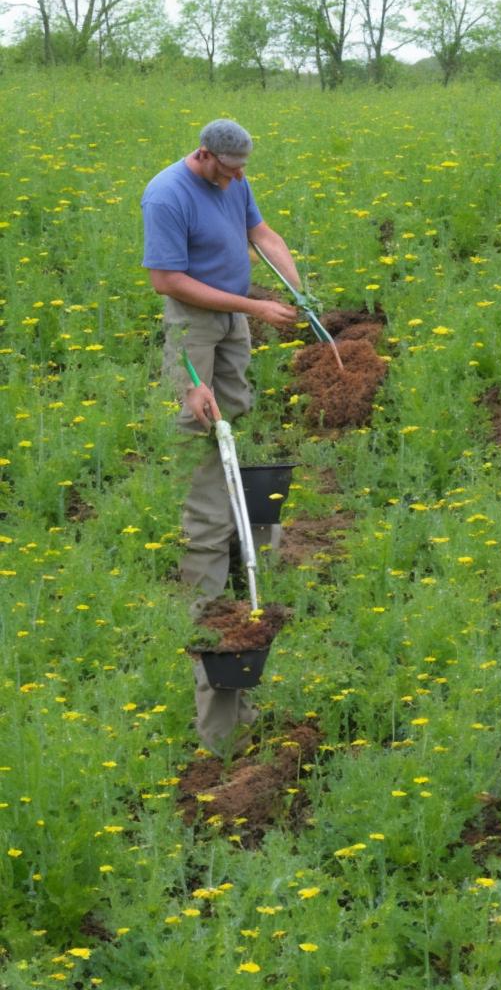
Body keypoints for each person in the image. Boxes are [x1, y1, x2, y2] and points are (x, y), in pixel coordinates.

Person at [141, 118, 298, 757]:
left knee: (235, 412)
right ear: (204, 155)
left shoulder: (235, 179)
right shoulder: (167, 195)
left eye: (242, 171)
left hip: (233, 315)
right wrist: (254, 309)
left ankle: (237, 524)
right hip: (195, 321)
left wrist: (290, 285)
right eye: (227, 170)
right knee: (202, 421)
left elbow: (260, 232)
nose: (236, 180)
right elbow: (167, 281)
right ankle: (205, 544)